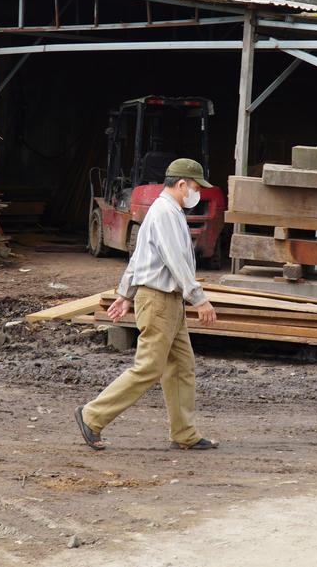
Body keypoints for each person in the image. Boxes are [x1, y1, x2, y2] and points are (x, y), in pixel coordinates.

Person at [74, 157, 219, 451]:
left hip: (169, 302)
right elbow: (176, 261)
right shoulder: (165, 213)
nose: (198, 194)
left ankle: (184, 433)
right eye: (196, 187)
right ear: (181, 184)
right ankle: (92, 415)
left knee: (181, 367)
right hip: (159, 300)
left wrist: (126, 295)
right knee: (149, 368)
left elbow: (139, 258)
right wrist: (200, 299)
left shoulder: (167, 211)